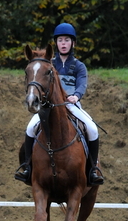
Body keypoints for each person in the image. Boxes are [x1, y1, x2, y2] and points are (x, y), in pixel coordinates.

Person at [17, 23, 104, 185]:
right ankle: (27, 167)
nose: (63, 43)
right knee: (30, 128)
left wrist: (76, 96)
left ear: (73, 43)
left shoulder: (79, 66)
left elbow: (82, 84)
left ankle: (93, 170)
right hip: (49, 106)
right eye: (60, 40)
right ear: (56, 43)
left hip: (71, 105)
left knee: (92, 128)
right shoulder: (49, 64)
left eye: (67, 40)